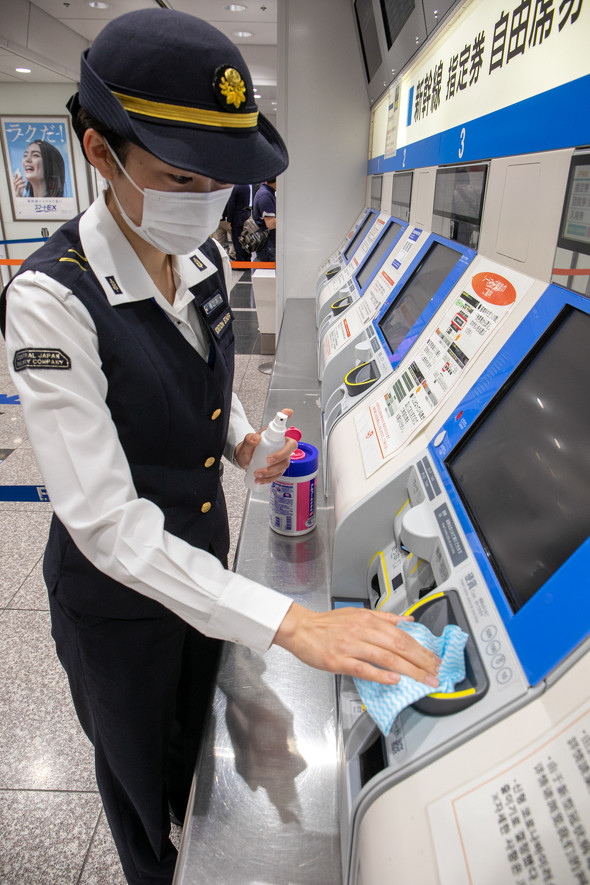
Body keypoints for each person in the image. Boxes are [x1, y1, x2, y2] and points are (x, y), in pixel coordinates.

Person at [0, 10, 439, 885]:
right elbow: (107, 525)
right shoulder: (51, 300)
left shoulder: (199, 258)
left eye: (219, 182)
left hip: (201, 558)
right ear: (99, 153)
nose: (205, 200)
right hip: (114, 608)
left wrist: (244, 446)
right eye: (178, 175)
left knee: (197, 743)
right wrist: (293, 621)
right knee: (136, 775)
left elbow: (202, 382)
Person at [223, 182, 251, 260]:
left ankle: (240, 262)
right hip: (245, 215)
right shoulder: (246, 185)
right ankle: (247, 260)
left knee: (237, 241)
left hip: (237, 218)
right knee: (245, 240)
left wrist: (229, 221)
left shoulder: (235, 187)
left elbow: (231, 204)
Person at [253, 177, 277, 261]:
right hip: (268, 246)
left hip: (268, 244)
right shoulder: (266, 195)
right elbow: (270, 224)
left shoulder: (266, 192)